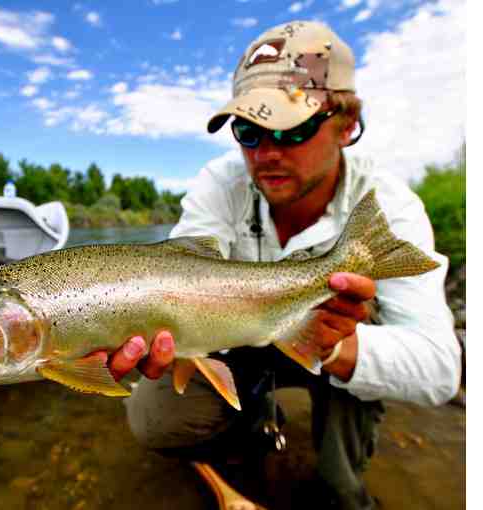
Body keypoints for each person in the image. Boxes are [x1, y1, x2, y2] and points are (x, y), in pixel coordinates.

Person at [95, 20, 461, 510]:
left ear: (345, 124)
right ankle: (248, 431)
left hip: (343, 350)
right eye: (248, 130)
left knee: (338, 487)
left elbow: (439, 369)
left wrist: (329, 344)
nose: (266, 154)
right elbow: (175, 272)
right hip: (234, 335)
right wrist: (132, 322)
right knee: (155, 416)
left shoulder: (389, 208)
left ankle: (338, 473)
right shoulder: (219, 183)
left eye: (292, 128)